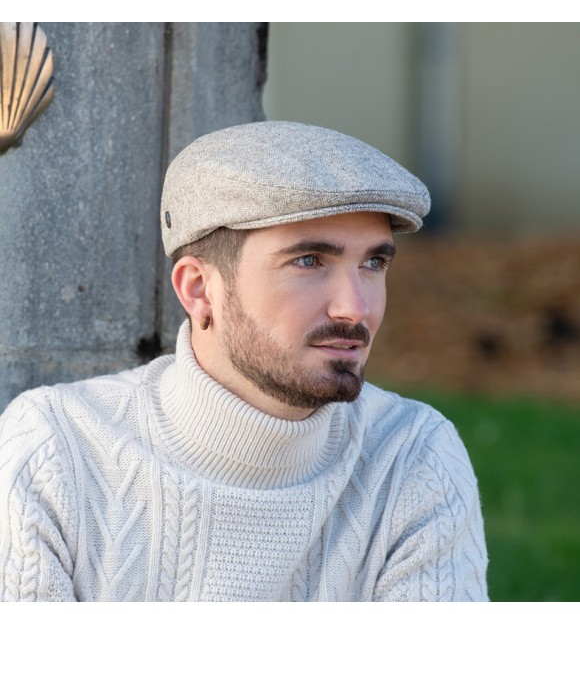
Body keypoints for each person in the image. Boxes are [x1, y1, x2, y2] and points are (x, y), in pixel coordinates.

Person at [0, 121, 488, 601]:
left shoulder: (413, 459)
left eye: (373, 264)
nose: (356, 308)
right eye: (309, 261)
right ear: (199, 290)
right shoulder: (55, 452)